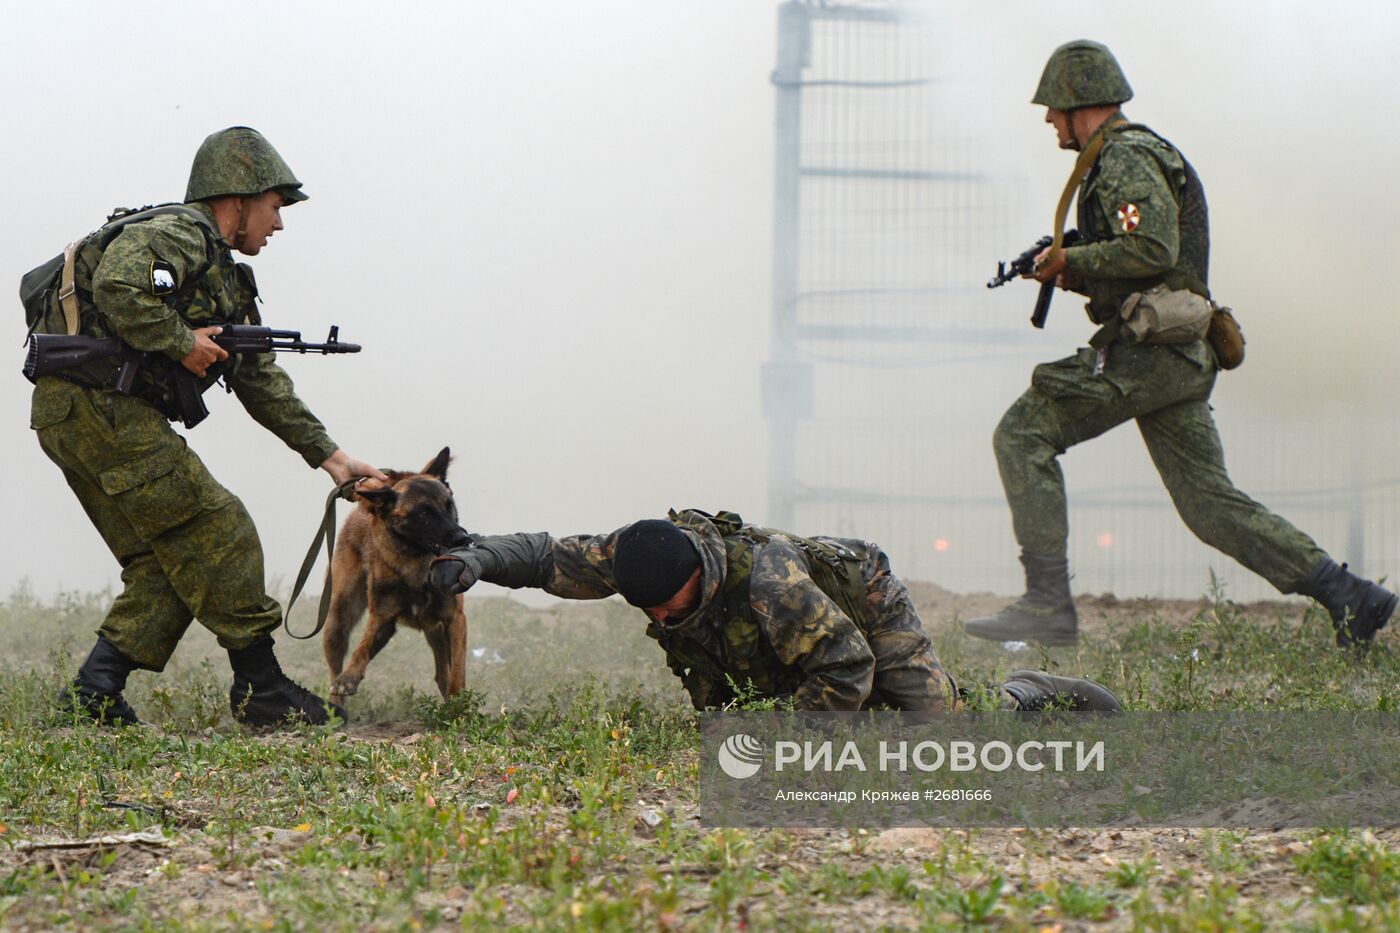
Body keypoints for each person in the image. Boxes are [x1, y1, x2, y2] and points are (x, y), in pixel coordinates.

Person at [966, 41, 1395, 648]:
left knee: (1022, 432)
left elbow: (1154, 250)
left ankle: (1046, 603)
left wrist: (1070, 255)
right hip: (1176, 357)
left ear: (1077, 103)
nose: (1047, 121)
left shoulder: (1125, 157)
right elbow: (1137, 263)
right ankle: (1350, 595)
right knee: (1210, 507)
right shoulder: (1117, 158)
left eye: (1053, 108)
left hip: (1150, 355)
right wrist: (1075, 271)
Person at [29, 127, 387, 726]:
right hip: (100, 409)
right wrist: (179, 342)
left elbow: (259, 380)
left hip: (73, 415)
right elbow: (119, 284)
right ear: (238, 197)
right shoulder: (180, 233)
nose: (278, 224)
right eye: (275, 207)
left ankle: (92, 696)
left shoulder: (223, 275)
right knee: (220, 529)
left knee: (168, 562)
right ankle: (262, 689)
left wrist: (332, 458)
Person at [426, 509, 1121, 712]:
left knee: (936, 726)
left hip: (862, 600)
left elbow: (846, 668)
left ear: (698, 577)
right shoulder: (642, 555)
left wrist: (768, 731)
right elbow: (548, 556)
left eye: (672, 612)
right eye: (653, 615)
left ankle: (1027, 690)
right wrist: (477, 559)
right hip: (795, 639)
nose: (663, 624)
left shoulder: (772, 584)